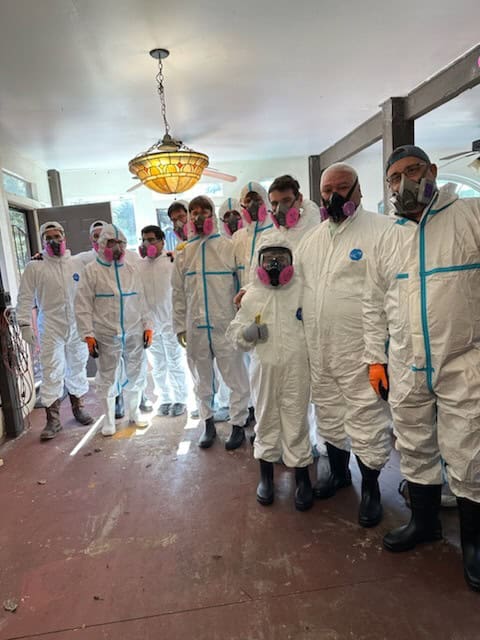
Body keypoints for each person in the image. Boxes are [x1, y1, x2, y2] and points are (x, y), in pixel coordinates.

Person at [363, 144, 480, 591]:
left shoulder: (470, 217)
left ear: (432, 171)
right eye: (395, 178)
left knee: (469, 450)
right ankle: (425, 524)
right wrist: (375, 359)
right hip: (406, 363)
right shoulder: (390, 237)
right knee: (413, 444)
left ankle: (474, 544)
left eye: (413, 172)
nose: (404, 183)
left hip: (464, 359)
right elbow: (374, 305)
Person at [296, 163, 392, 528]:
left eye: (341, 188)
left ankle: (371, 489)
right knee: (329, 415)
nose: (333, 197)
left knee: (367, 419)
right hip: (320, 350)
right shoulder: (312, 240)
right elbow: (295, 288)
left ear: (358, 190)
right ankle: (339, 474)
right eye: (326, 190)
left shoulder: (382, 232)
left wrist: (381, 354)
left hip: (363, 353)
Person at [227, 242, 313, 511]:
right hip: (264, 369)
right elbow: (235, 332)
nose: (275, 265)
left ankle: (302, 478)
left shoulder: (303, 291)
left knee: (297, 418)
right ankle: (266, 477)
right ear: (259, 264)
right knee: (265, 418)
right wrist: (247, 333)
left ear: (291, 262)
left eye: (280, 258)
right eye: (269, 259)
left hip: (297, 367)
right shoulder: (252, 295)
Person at [172, 195, 250, 449]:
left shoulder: (228, 247)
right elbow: (178, 293)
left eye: (203, 210)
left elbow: (241, 288)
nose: (198, 216)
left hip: (225, 324)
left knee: (235, 377)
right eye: (193, 211)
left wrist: (242, 321)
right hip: (196, 327)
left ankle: (238, 424)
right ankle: (207, 422)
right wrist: (180, 327)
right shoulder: (184, 253)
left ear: (212, 214)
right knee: (201, 379)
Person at [16, 221, 93, 440]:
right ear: (42, 242)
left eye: (57, 236)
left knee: (78, 364)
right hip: (50, 325)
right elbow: (25, 297)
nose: (54, 241)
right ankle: (53, 420)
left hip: (76, 324)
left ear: (64, 237)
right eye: (48, 237)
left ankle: (78, 408)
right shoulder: (35, 267)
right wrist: (23, 324)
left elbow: (101, 252)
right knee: (52, 369)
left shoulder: (77, 262)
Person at [75, 224, 153, 436]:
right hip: (106, 333)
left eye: (120, 243)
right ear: (101, 245)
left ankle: (134, 413)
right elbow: (82, 305)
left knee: (136, 374)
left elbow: (143, 299)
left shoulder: (131, 269)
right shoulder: (91, 271)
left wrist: (148, 326)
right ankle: (108, 420)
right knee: (107, 378)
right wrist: (88, 335)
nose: (117, 247)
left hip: (134, 330)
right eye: (111, 243)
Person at [137, 225, 188, 417]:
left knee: (175, 362)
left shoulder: (171, 262)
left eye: (151, 239)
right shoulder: (139, 266)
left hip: (170, 321)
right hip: (150, 324)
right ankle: (165, 398)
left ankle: (180, 399)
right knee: (157, 364)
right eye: (144, 240)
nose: (147, 244)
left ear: (162, 242)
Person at [232, 182, 274, 287]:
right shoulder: (237, 237)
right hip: (242, 299)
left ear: (266, 202)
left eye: (257, 200)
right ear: (242, 204)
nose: (252, 205)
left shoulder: (275, 232)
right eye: (248, 201)